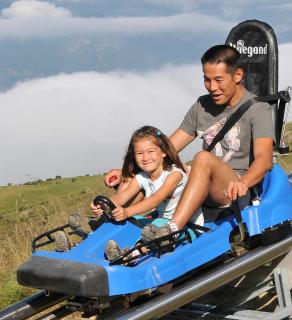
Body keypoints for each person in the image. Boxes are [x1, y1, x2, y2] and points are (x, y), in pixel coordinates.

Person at [104, 44, 275, 239]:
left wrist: (243, 182)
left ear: (237, 75)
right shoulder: (202, 106)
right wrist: (127, 172)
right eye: (207, 80)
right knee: (150, 170)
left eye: (219, 80)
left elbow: (264, 159)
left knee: (202, 158)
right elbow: (166, 149)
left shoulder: (257, 109)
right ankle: (111, 223)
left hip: (234, 188)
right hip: (201, 181)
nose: (212, 87)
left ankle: (172, 230)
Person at [90, 125, 204, 260]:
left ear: (163, 152)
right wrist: (102, 204)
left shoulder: (174, 174)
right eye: (140, 153)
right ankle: (91, 240)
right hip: (161, 221)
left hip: (184, 226)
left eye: (151, 151)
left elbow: (155, 200)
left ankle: (129, 256)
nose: (145, 157)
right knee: (132, 221)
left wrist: (127, 211)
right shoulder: (141, 177)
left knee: (149, 228)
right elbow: (122, 197)